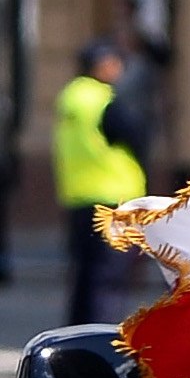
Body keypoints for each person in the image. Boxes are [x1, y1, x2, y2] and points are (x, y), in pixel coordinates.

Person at [51, 40, 150, 322]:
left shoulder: (71, 98)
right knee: (110, 281)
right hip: (113, 201)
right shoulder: (106, 101)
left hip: (78, 198)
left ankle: (75, 336)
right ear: (102, 65)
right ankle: (103, 339)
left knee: (83, 278)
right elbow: (136, 137)